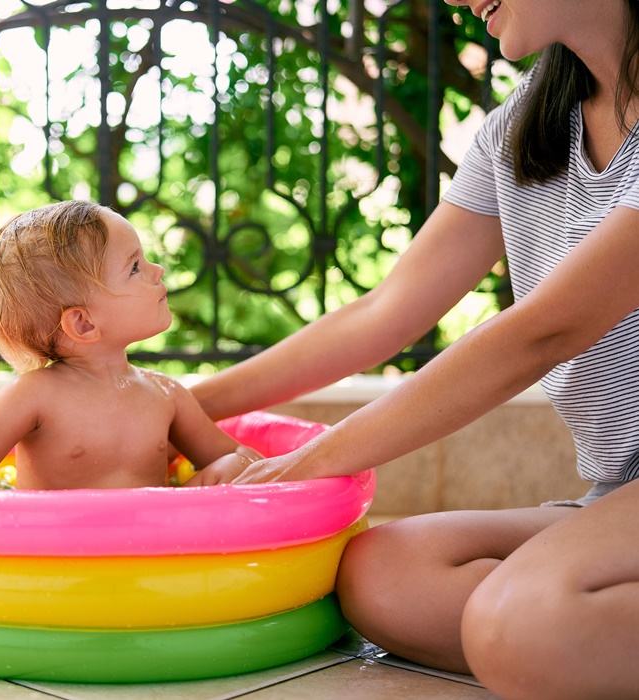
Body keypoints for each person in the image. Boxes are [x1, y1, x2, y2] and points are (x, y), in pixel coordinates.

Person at [190, 1, 639, 698]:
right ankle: (548, 623)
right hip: (621, 496)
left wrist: (308, 463)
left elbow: (546, 330)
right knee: (381, 577)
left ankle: (539, 624)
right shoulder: (524, 128)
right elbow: (384, 312)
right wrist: (178, 406)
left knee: (520, 628)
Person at [0, 200, 262, 532]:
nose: (157, 271)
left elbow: (235, 455)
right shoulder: (35, 394)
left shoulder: (165, 393)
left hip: (155, 539)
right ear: (83, 324)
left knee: (233, 468)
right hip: (63, 547)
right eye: (134, 268)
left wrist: (239, 464)